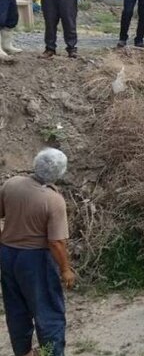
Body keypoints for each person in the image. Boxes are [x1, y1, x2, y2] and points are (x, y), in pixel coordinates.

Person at [0, 148, 75, 356]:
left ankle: (23, 352)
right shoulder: (53, 200)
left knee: (16, 310)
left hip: (7, 255)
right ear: (59, 173)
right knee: (48, 311)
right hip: (35, 260)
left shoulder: (11, 184)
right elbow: (56, 243)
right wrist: (66, 270)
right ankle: (51, 353)